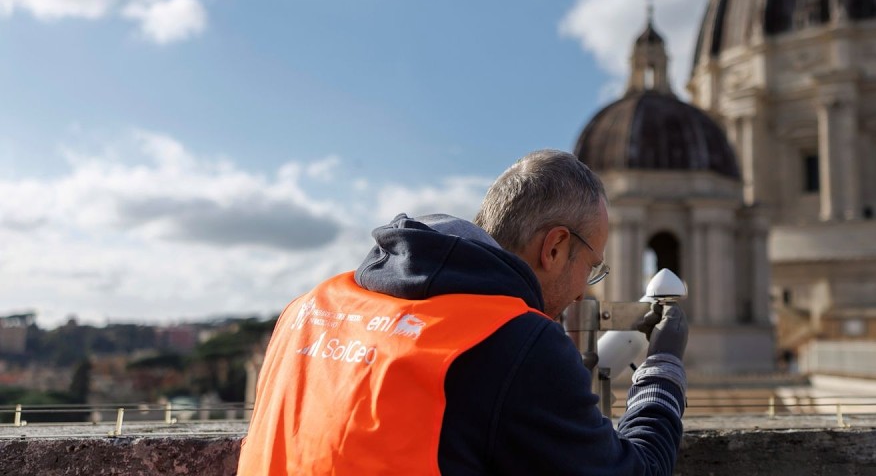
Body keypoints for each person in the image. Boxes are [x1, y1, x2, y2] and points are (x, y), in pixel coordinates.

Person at [238, 149, 688, 475]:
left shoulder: (305, 309)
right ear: (554, 247)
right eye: (591, 268)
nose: (580, 295)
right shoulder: (518, 345)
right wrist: (662, 370)